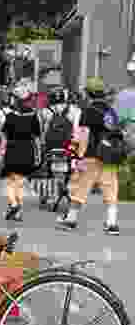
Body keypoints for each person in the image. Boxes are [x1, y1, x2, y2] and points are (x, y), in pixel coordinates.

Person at [57, 77, 124, 234]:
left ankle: (71, 220)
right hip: (110, 157)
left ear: (88, 94)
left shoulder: (86, 112)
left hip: (91, 156)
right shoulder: (112, 112)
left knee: (80, 187)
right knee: (111, 189)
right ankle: (112, 223)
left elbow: (81, 135)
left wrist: (76, 156)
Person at [0, 78, 42, 221]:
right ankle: (17, 212)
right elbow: (37, 137)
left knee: (11, 182)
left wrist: (1, 152)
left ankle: (13, 204)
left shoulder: (11, 116)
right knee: (20, 183)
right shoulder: (33, 115)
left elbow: (4, 135)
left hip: (12, 150)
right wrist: (38, 155)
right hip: (27, 151)